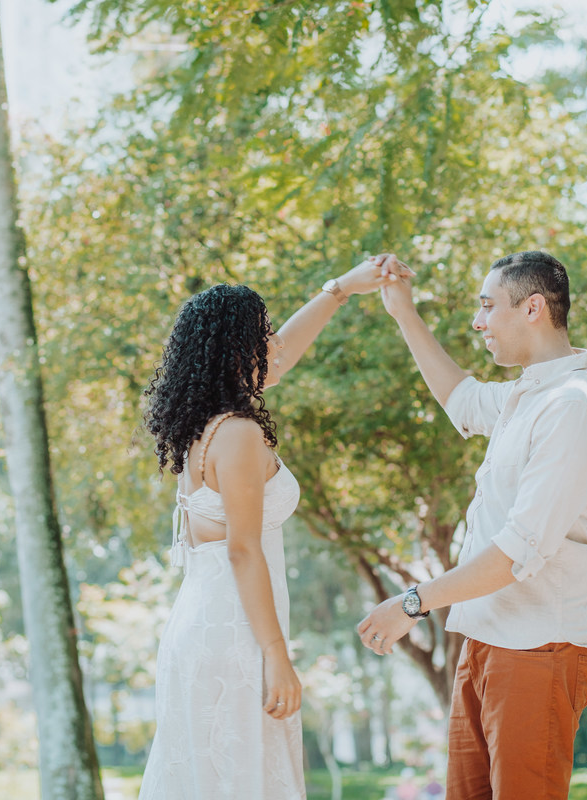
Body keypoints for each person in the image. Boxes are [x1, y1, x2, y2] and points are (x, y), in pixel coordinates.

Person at [357, 251, 587, 800]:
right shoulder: (529, 395)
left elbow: (515, 551)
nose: (478, 322)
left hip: (541, 646)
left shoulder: (571, 406)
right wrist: (403, 310)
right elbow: (461, 398)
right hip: (487, 638)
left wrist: (412, 604)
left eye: (487, 306)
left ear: (532, 308)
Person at [138, 262, 400, 799]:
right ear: (237, 351)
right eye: (265, 336)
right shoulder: (237, 434)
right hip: (234, 634)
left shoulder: (204, 425)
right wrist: (277, 655)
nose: (276, 345)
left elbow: (285, 356)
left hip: (208, 625)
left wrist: (341, 290)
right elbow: (242, 550)